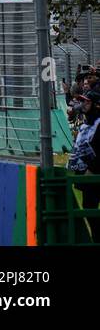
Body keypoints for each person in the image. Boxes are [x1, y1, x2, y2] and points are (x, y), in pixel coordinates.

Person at [67, 87, 100, 241]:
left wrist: (92, 169)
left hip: (94, 174)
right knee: (88, 208)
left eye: (86, 102)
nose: (82, 104)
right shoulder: (85, 124)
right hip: (88, 177)